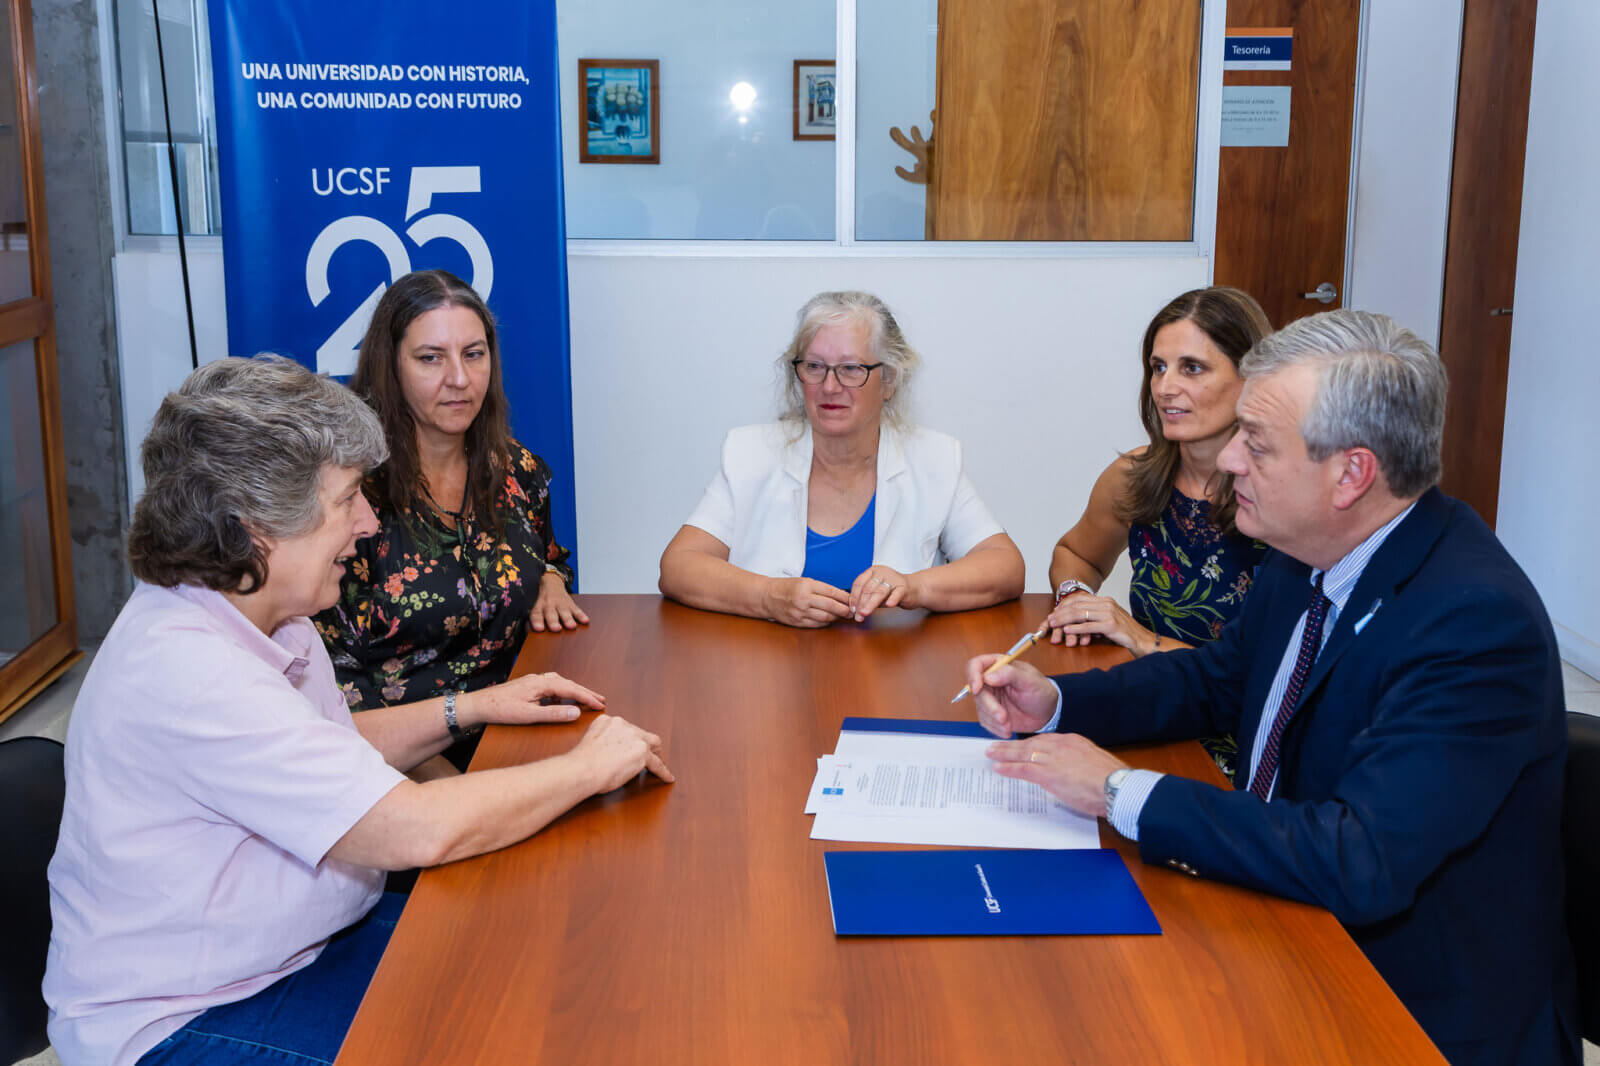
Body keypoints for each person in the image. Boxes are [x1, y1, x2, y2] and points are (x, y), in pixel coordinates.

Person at [964, 310, 1578, 1066]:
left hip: (1407, 1010)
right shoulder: (1308, 550)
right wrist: (1059, 702)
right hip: (1284, 927)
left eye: (1255, 444)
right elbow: (1215, 679)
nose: (1228, 462)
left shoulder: (1474, 622)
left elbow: (1359, 858)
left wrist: (1120, 790)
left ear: (1351, 474)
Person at [44, 357, 673, 1066]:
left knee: (533, 960)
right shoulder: (189, 671)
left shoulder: (267, 609)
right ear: (257, 528)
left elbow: (329, 746)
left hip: (301, 953)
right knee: (514, 1032)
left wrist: (472, 706)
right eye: (348, 500)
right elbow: (415, 829)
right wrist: (588, 769)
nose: (369, 524)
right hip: (184, 1018)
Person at [314, 270, 584, 774]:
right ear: (390, 367)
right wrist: (459, 790)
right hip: (397, 763)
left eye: (473, 354)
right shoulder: (350, 499)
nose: (459, 379)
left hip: (513, 737)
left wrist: (550, 578)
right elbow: (336, 691)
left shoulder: (516, 470)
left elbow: (551, 557)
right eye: (431, 358)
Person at [659, 290, 1024, 627]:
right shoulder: (751, 453)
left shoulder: (934, 458)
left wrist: (914, 587)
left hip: (892, 667)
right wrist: (768, 597)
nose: (830, 387)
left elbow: (1005, 566)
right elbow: (678, 566)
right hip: (766, 665)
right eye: (814, 367)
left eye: (851, 369)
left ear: (888, 381)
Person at [1045, 286, 1271, 780]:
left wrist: (1140, 637)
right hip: (1149, 718)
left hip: (1245, 752)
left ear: (1251, 377)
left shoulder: (1280, 504)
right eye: (1158, 367)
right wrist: (1076, 597)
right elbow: (1076, 554)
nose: (1165, 387)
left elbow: (1266, 684)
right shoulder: (1135, 477)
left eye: (1192, 368)